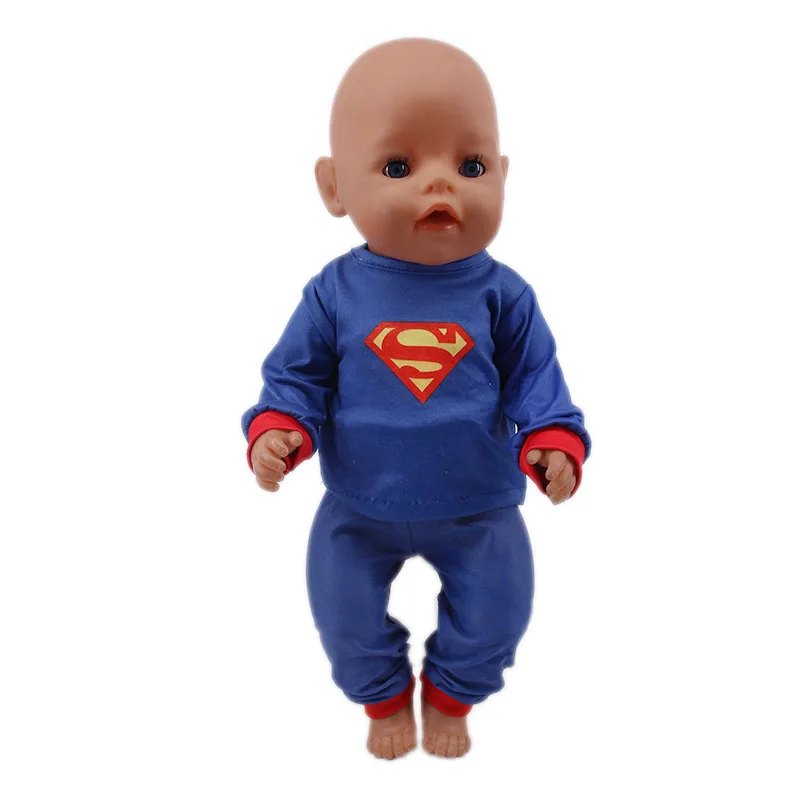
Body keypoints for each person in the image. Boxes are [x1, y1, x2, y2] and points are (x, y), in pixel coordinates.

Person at [242, 37, 591, 759]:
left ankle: (453, 694)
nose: (441, 186)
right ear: (334, 188)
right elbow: (297, 377)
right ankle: (381, 696)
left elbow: (538, 381)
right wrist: (280, 428)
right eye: (399, 167)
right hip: (358, 505)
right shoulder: (334, 293)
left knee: (499, 612)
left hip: (479, 504)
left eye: (471, 166)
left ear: (503, 175)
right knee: (342, 616)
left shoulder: (504, 296)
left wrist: (552, 440)